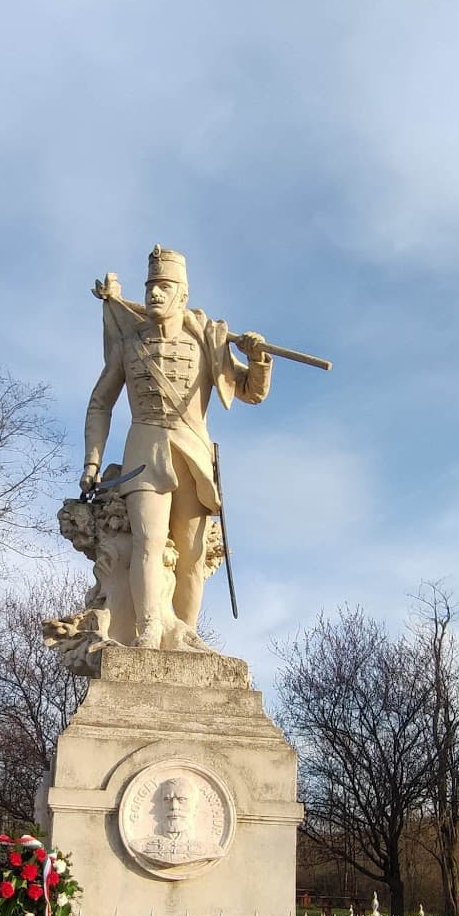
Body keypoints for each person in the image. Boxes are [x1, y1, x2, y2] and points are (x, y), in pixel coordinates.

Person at [81, 246, 271, 648]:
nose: (154, 294)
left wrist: (258, 359)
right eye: (151, 286)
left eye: (164, 286)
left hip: (194, 452)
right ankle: (149, 631)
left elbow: (252, 392)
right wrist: (92, 462)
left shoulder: (207, 342)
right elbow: (100, 403)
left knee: (192, 555)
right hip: (144, 452)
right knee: (147, 542)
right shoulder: (130, 345)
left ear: (182, 295)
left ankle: (185, 633)